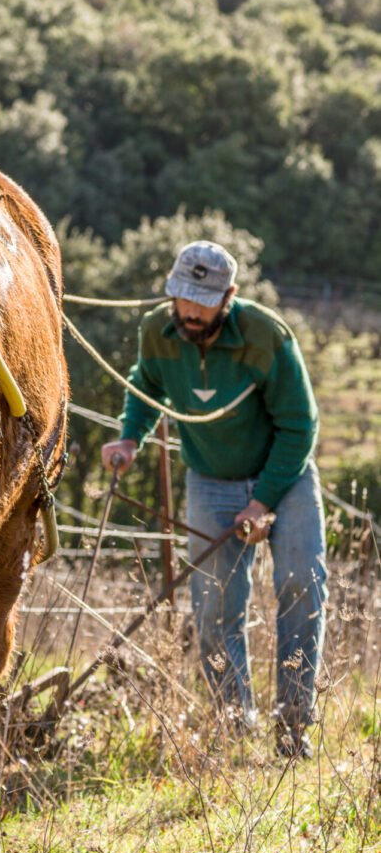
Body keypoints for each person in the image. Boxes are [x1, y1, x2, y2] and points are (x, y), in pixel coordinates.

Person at [102, 240, 327, 758]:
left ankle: (294, 729)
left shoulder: (267, 335)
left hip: (284, 476)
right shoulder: (158, 329)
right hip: (210, 479)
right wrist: (130, 436)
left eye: (202, 301)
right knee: (213, 609)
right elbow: (146, 383)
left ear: (230, 295)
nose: (191, 311)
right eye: (183, 298)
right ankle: (234, 727)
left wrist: (264, 501)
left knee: (300, 582)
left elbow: (300, 425)